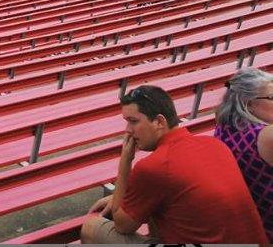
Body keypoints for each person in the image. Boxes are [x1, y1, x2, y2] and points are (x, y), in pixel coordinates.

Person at [81, 84, 266, 244]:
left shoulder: (155, 165)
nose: (128, 131)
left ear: (159, 121)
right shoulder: (215, 144)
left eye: (133, 121)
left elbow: (122, 225)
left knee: (91, 227)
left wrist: (125, 162)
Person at [214, 67, 273, 241]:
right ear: (248, 103)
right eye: (271, 98)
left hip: (249, 225)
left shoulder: (222, 129)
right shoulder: (266, 136)